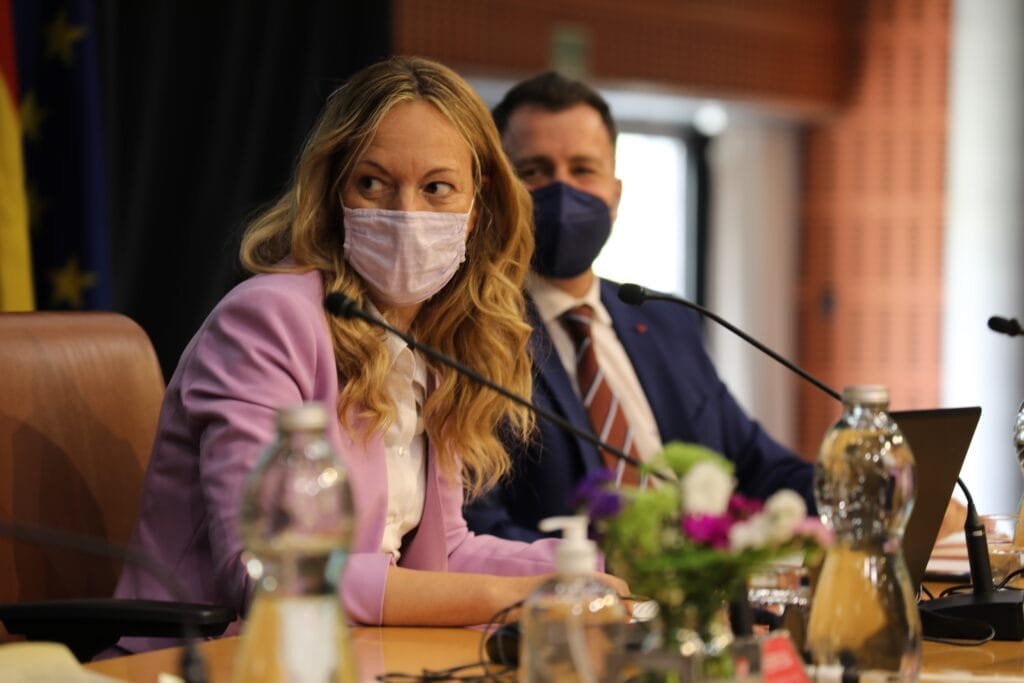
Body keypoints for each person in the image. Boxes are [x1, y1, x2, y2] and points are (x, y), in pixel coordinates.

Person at [111, 57, 626, 654]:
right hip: (210, 658)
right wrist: (513, 596)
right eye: (373, 183)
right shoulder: (266, 320)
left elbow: (446, 552)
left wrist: (600, 571)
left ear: (476, 207)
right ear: (335, 193)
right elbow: (273, 572)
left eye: (436, 188)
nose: (407, 212)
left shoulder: (436, 340)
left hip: (349, 654)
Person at [464, 71, 815, 542]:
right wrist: (611, 568)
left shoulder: (668, 322)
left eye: (583, 169)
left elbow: (757, 466)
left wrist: (867, 486)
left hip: (702, 577)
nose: (562, 189)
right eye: (534, 171)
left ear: (615, 196)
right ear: (498, 193)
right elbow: (478, 527)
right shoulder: (472, 332)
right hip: (574, 584)